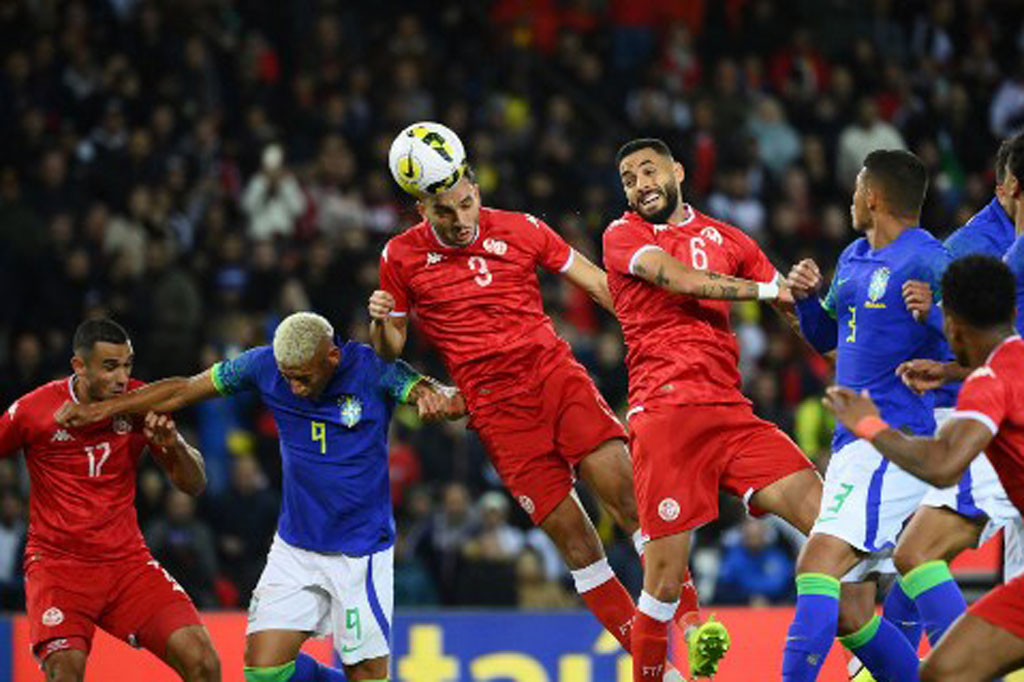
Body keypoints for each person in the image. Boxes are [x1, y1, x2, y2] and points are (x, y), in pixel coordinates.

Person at [371, 152, 708, 681]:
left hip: (555, 378)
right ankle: (660, 674)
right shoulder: (399, 256)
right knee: (578, 545)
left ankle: (692, 626)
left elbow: (600, 285)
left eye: (466, 204)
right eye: (444, 213)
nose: (460, 221)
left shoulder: (522, 228)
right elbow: (388, 350)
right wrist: (383, 327)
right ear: (421, 211)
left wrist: (666, 334)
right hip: (498, 412)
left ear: (476, 190)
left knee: (628, 497)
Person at [57, 312, 461, 682]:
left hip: (359, 553)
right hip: (296, 547)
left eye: (303, 377)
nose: (293, 387)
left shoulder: (373, 370)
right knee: (264, 673)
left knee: (366, 674)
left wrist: (439, 399)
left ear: (333, 358)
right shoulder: (262, 364)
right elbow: (182, 390)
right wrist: (103, 411)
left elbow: (436, 393)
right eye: (287, 376)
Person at [603, 137, 824, 681]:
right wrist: (766, 290)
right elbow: (679, 280)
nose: (640, 185)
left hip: (731, 413)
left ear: (677, 171)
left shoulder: (729, 238)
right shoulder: (622, 235)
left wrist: (837, 346)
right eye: (629, 179)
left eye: (649, 171)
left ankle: (872, 659)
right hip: (666, 417)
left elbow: (789, 305)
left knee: (829, 522)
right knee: (661, 583)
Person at [784, 149, 951, 681]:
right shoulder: (855, 257)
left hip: (890, 441)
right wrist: (808, 302)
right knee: (851, 614)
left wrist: (939, 313)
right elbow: (828, 338)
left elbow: (986, 341)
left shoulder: (931, 260)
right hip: (853, 447)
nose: (852, 197)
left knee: (815, 566)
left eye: (857, 187)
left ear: (872, 196)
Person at [825, 255, 1024, 682]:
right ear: (1012, 312)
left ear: (949, 324)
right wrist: (951, 373)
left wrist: (869, 425)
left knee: (915, 554)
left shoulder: (988, 384)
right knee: (942, 673)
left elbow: (944, 465)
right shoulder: (1009, 366)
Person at [0, 318, 220, 682]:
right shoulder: (34, 410)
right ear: (79, 366)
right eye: (110, 367)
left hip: (127, 565)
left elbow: (194, 484)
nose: (122, 377)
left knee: (204, 663)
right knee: (64, 673)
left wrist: (174, 446)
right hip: (59, 568)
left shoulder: (140, 402)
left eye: (127, 365)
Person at [873, 134, 1024, 661]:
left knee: (917, 551)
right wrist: (942, 356)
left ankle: (897, 666)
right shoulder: (970, 245)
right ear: (1003, 185)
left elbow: (988, 341)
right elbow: (982, 339)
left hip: (995, 417)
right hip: (984, 408)